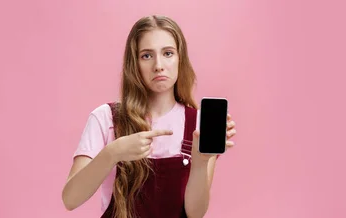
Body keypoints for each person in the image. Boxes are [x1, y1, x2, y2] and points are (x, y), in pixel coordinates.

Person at [61, 14, 237, 218]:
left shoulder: (199, 124)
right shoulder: (106, 118)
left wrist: (200, 164)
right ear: (133, 64)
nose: (158, 65)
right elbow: (70, 200)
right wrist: (113, 153)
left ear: (181, 58)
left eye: (168, 53)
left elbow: (195, 213)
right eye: (147, 55)